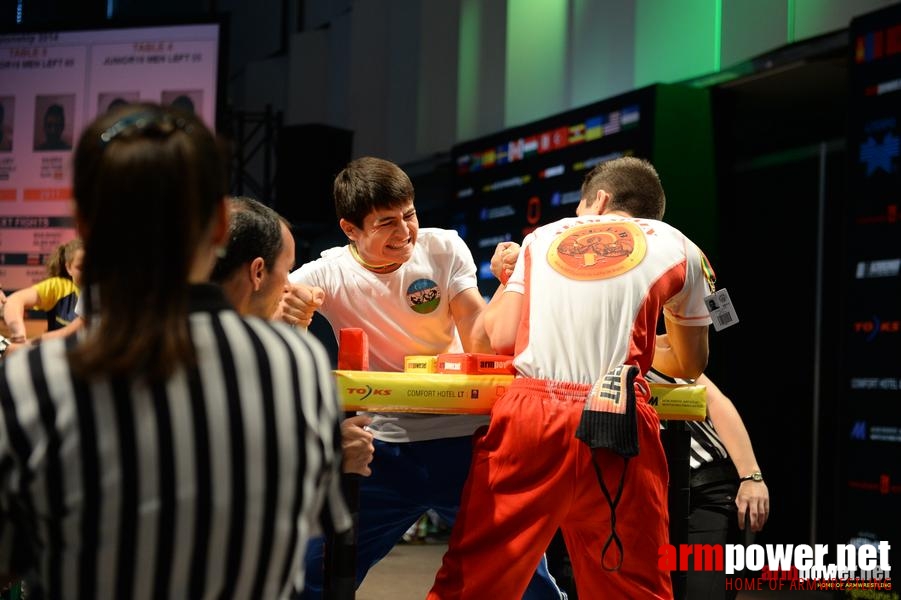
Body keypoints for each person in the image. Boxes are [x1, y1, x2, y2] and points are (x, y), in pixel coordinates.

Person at [0, 102, 349, 598]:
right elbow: (307, 523)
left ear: (83, 225)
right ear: (219, 229)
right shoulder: (295, 363)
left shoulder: (34, 378)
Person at [428, 156, 714, 599]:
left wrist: (506, 279)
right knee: (631, 588)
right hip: (618, 415)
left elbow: (492, 340)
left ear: (598, 200)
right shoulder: (683, 247)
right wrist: (624, 338)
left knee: (474, 584)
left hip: (531, 420)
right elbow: (689, 363)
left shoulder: (541, 237)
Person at [285, 156, 566, 599]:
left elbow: (481, 342)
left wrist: (516, 282)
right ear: (350, 229)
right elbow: (266, 320)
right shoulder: (326, 272)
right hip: (381, 452)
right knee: (311, 577)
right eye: (386, 223)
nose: (404, 233)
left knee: (526, 578)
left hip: (464, 443)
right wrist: (291, 312)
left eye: (409, 215)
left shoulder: (444, 247)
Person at [210, 195, 375, 476]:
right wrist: (332, 457)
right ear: (258, 272)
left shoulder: (137, 339)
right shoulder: (269, 358)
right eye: (287, 271)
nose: (289, 285)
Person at [646, 364, 769, 600]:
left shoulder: (656, 346)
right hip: (638, 501)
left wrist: (751, 475)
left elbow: (714, 401)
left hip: (702, 491)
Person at [2, 238, 83, 344]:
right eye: (81, 267)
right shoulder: (59, 287)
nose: (89, 272)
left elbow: (72, 332)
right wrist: (18, 333)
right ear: (68, 268)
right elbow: (13, 301)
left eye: (94, 266)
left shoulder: (105, 294)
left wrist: (26, 346)